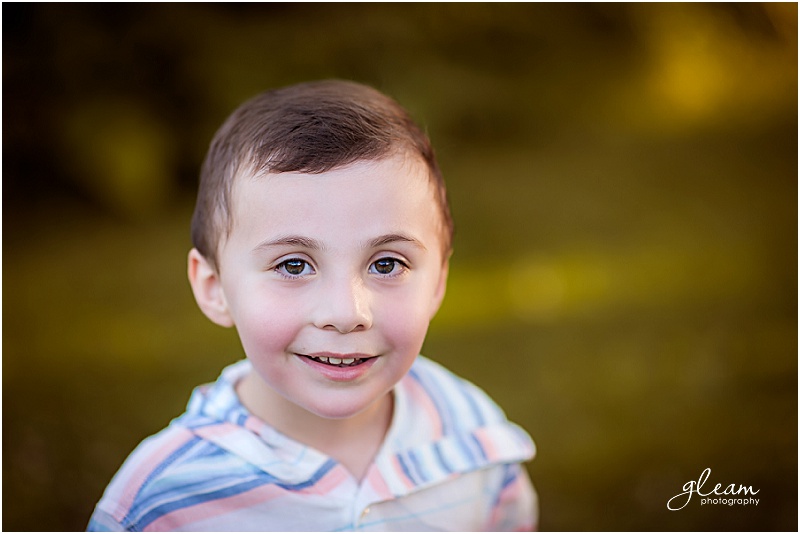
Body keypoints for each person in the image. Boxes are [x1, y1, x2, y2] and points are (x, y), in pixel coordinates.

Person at [87, 80, 537, 531]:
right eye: (294, 265)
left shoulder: (473, 437)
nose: (345, 314)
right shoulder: (163, 502)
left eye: (386, 263)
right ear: (214, 286)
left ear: (438, 281)